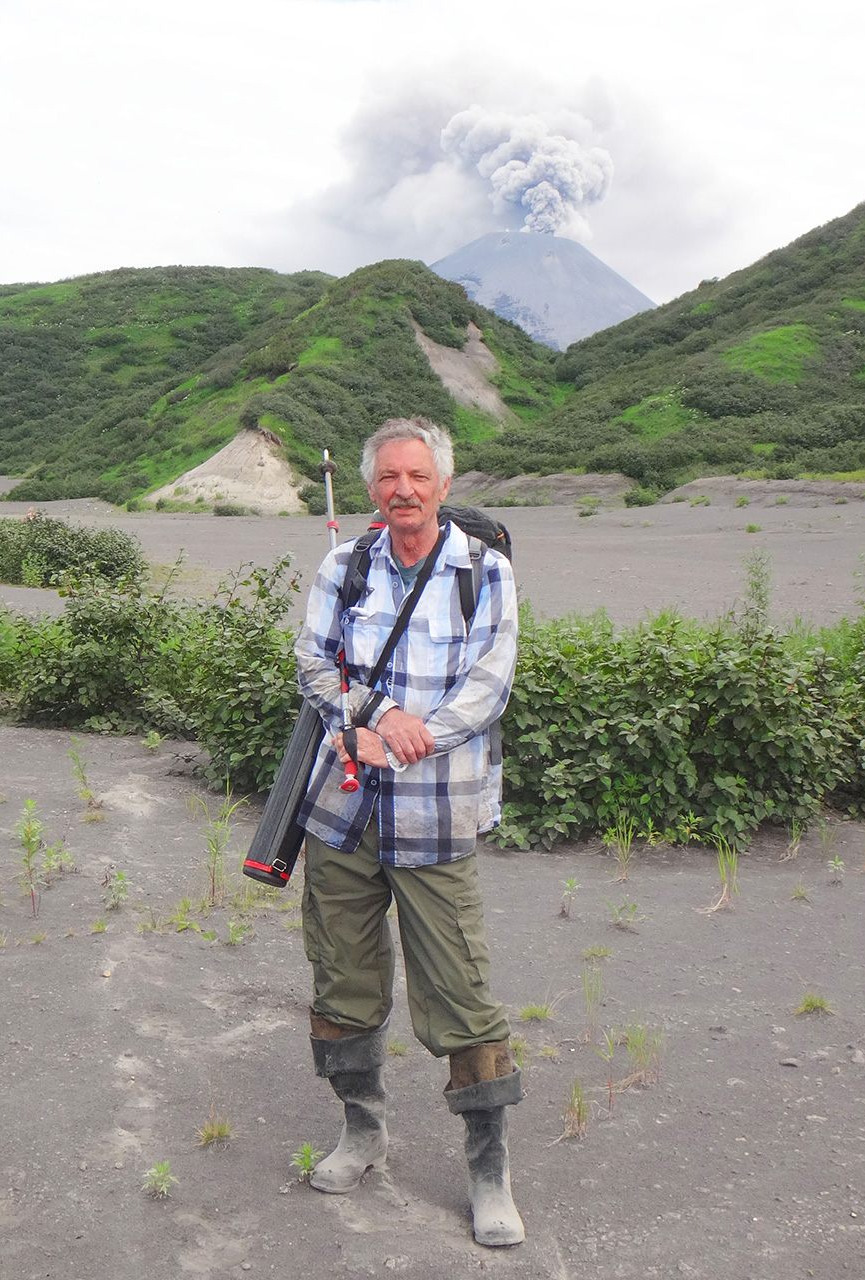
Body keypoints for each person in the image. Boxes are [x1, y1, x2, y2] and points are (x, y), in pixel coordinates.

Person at [293, 417, 524, 1248]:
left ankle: (488, 1171)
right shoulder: (344, 566)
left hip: (436, 812)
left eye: (417, 476)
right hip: (342, 810)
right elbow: (314, 662)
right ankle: (362, 1131)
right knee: (341, 980)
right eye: (388, 477)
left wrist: (423, 734)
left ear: (443, 485)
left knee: (461, 995)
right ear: (371, 489)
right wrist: (378, 714)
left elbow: (488, 684)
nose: (403, 490)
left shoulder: (483, 572)